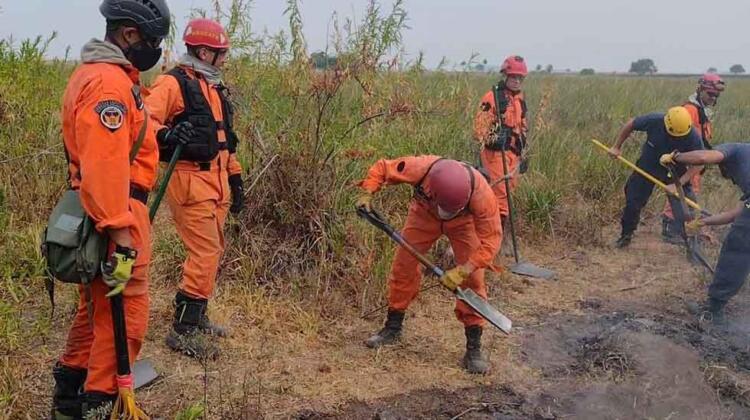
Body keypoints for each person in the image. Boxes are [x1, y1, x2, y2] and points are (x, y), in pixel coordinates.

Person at [52, 0, 170, 417]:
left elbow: (123, 141)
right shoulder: (108, 84)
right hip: (116, 213)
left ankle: (68, 398)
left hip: (100, 212)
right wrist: (121, 232)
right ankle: (100, 403)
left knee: (95, 309)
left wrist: (163, 136)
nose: (156, 50)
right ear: (129, 35)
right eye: (153, 40)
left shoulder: (102, 75)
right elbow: (103, 164)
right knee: (125, 312)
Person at [145, 18, 244, 359]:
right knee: (204, 254)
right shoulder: (173, 83)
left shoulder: (212, 86)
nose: (224, 58)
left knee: (211, 251)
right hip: (189, 182)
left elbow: (223, 139)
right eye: (221, 52)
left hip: (216, 184)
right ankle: (183, 330)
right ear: (204, 52)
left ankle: (197, 316)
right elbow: (143, 120)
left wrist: (236, 176)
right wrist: (166, 136)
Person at [356, 156, 502, 374]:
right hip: (425, 213)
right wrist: (367, 192)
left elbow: (491, 241)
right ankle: (393, 327)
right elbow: (382, 168)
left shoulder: (483, 196)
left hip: (464, 224)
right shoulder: (421, 168)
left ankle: (473, 348)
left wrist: (464, 269)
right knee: (403, 266)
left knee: (473, 280)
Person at [661, 143, 750, 325]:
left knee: (736, 252)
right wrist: (703, 222)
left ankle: (712, 311)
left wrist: (675, 156)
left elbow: (702, 158)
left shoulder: (733, 150)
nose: (732, 180)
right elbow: (735, 214)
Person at [608, 106, 704, 248]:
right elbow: (630, 124)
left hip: (676, 170)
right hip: (649, 164)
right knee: (633, 202)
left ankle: (690, 242)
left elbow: (700, 163)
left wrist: (678, 184)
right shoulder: (654, 120)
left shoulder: (692, 135)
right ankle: (626, 235)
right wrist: (616, 147)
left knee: (686, 207)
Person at [473, 55, 528, 256]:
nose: (516, 80)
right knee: (499, 200)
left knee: (507, 198)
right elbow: (478, 130)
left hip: (513, 156)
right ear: (505, 75)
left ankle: (495, 243)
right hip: (495, 156)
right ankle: (491, 246)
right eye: (513, 76)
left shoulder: (520, 99)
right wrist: (494, 138)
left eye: (520, 77)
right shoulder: (492, 97)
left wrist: (524, 152)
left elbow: (523, 126)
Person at [661, 73, 725, 243]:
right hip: (688, 160)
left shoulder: (702, 109)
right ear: (700, 89)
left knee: (690, 194)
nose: (713, 98)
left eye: (716, 95)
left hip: (697, 159)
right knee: (679, 191)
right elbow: (684, 138)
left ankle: (685, 228)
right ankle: (670, 228)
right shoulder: (690, 110)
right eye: (710, 94)